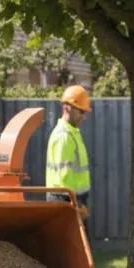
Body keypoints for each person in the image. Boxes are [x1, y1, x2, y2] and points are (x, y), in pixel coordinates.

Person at [46, 85, 91, 215]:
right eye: (81, 111)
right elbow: (64, 177)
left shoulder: (72, 133)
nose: (84, 117)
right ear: (67, 108)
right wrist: (76, 205)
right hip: (65, 201)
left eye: (85, 112)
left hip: (71, 200)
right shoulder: (64, 136)